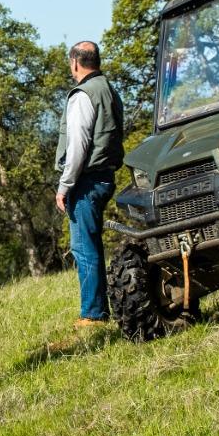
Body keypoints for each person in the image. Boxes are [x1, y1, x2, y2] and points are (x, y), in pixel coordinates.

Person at [55, 41, 125, 328]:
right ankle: (98, 308)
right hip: (106, 175)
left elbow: (78, 146)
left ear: (75, 62)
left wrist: (64, 186)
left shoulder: (83, 95)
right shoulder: (109, 89)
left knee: (84, 247)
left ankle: (93, 314)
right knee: (92, 244)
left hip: (85, 180)